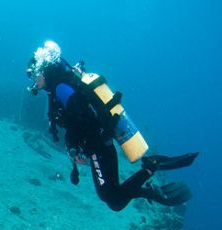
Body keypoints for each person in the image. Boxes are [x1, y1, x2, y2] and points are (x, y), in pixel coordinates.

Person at [26, 41, 197, 211]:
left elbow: (79, 119)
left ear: (43, 72)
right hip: (100, 140)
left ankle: (152, 168)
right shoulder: (59, 87)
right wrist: (73, 147)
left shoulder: (61, 89)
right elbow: (76, 119)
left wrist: (74, 147)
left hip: (97, 143)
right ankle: (150, 182)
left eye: (34, 75)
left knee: (109, 196)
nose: (34, 80)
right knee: (115, 201)